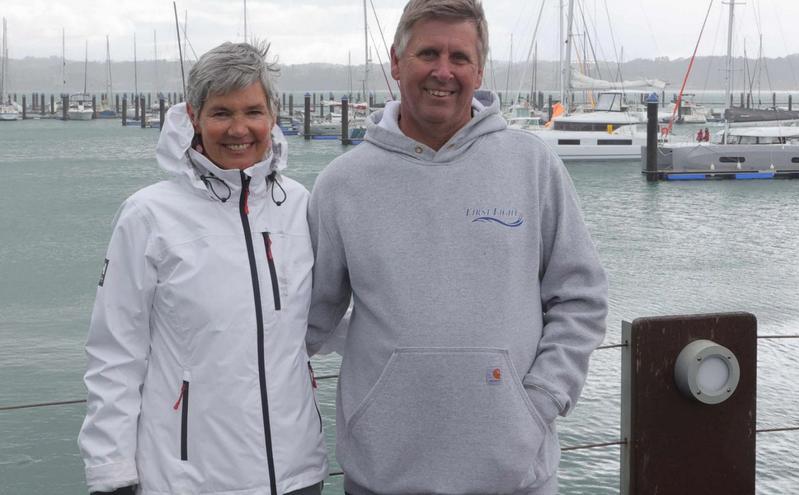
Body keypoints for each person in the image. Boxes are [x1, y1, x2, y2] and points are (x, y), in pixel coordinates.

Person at [306, 1, 608, 493]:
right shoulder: (343, 183)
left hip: (516, 475)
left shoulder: (531, 164)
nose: (442, 72)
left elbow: (581, 296)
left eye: (459, 57)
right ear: (396, 62)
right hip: (384, 475)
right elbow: (307, 318)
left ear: (479, 68)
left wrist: (542, 398)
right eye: (428, 53)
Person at [78, 42, 327, 495]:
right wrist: (111, 473)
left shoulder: (299, 205)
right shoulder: (148, 216)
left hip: (297, 475)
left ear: (272, 114)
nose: (238, 129)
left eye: (253, 111)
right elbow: (115, 353)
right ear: (193, 116)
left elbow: (322, 319)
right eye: (220, 113)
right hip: (189, 480)